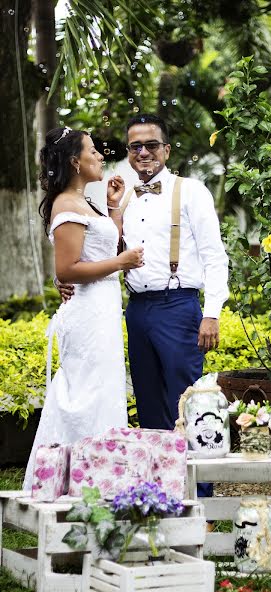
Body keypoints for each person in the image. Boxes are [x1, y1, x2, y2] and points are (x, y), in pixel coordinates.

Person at [58, 114, 230, 497]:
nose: (143, 152)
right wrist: (63, 277)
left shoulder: (191, 191)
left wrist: (212, 312)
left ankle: (199, 496)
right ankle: (160, 495)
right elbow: (96, 249)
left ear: (166, 150)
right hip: (136, 310)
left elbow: (215, 256)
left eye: (152, 144)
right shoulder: (115, 195)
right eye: (135, 146)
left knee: (186, 402)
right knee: (149, 405)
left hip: (179, 305)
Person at [23, 126, 143, 491]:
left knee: (103, 392)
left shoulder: (84, 203)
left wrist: (110, 210)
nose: (100, 156)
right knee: (85, 396)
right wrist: (121, 263)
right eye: (92, 151)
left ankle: (99, 481)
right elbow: (67, 269)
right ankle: (70, 483)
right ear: (75, 161)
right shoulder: (65, 204)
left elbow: (99, 250)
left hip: (102, 313)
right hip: (88, 316)